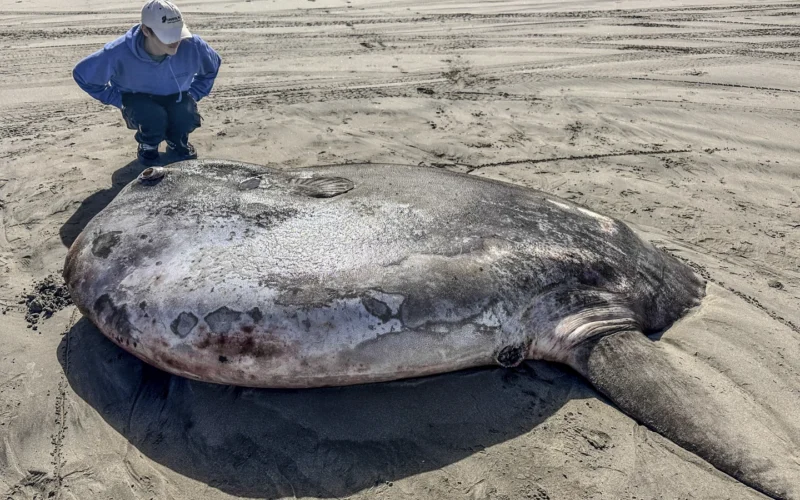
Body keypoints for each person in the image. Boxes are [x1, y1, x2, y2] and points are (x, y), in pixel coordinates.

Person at [73, 0, 221, 164]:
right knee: (152, 117)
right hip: (138, 100)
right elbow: (83, 75)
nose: (175, 41)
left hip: (177, 96)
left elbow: (212, 66)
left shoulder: (193, 45)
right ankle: (148, 146)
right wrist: (118, 100)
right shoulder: (118, 52)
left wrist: (194, 94)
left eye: (177, 32)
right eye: (167, 35)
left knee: (184, 114)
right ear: (146, 30)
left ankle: (177, 141)